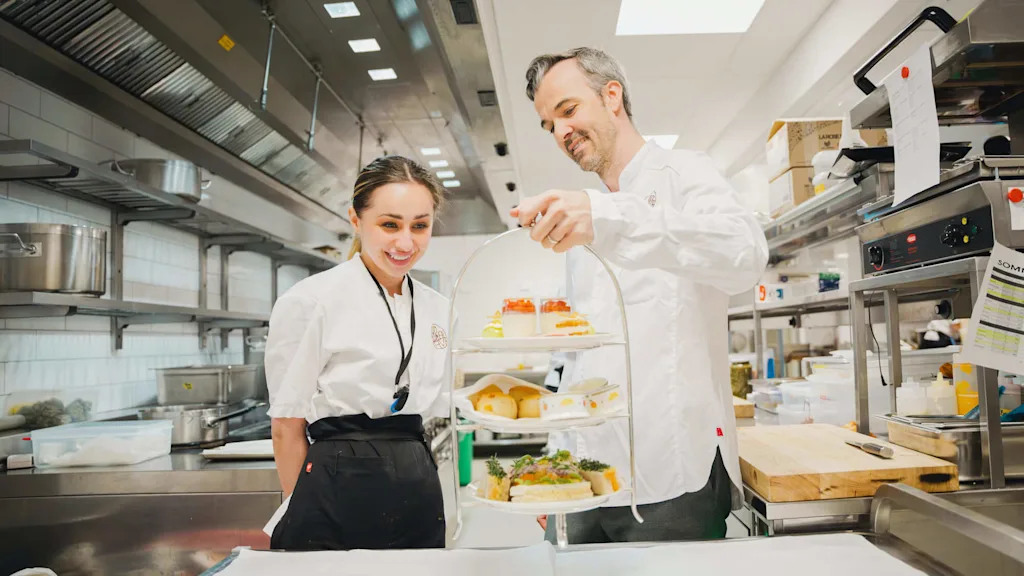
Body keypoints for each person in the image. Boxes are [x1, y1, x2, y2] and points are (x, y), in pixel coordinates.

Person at [515, 47, 769, 543]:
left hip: (673, 476)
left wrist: (611, 220)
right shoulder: (581, 219)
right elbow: (574, 357)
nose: (560, 132)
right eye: (549, 124)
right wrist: (554, 459)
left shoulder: (685, 174)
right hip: (586, 476)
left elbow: (745, 255)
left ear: (612, 96)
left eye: (567, 111)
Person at [263, 156, 452, 551]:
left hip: (417, 479)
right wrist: (302, 509)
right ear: (356, 219)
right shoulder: (312, 300)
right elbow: (286, 424)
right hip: (336, 483)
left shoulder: (437, 308)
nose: (405, 242)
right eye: (389, 224)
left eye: (420, 225)